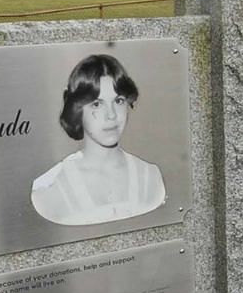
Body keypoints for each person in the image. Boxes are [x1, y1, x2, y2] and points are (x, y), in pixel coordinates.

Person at [31, 53, 166, 225]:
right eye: (96, 104)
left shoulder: (150, 176)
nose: (111, 115)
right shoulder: (50, 187)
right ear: (78, 109)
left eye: (118, 101)